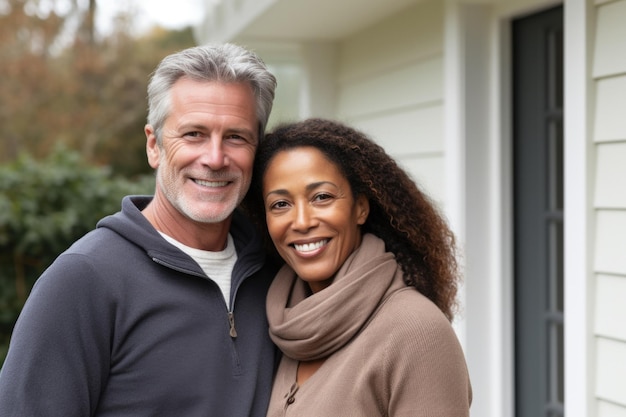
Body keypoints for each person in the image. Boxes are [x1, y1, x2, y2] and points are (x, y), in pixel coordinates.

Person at [0, 43, 278, 416]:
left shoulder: (277, 271)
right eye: (194, 134)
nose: (214, 158)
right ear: (154, 145)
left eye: (236, 137)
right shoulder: (83, 280)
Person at [242, 118, 472, 416]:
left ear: (360, 207)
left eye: (321, 197)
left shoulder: (416, 332)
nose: (301, 221)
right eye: (280, 204)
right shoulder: (282, 324)